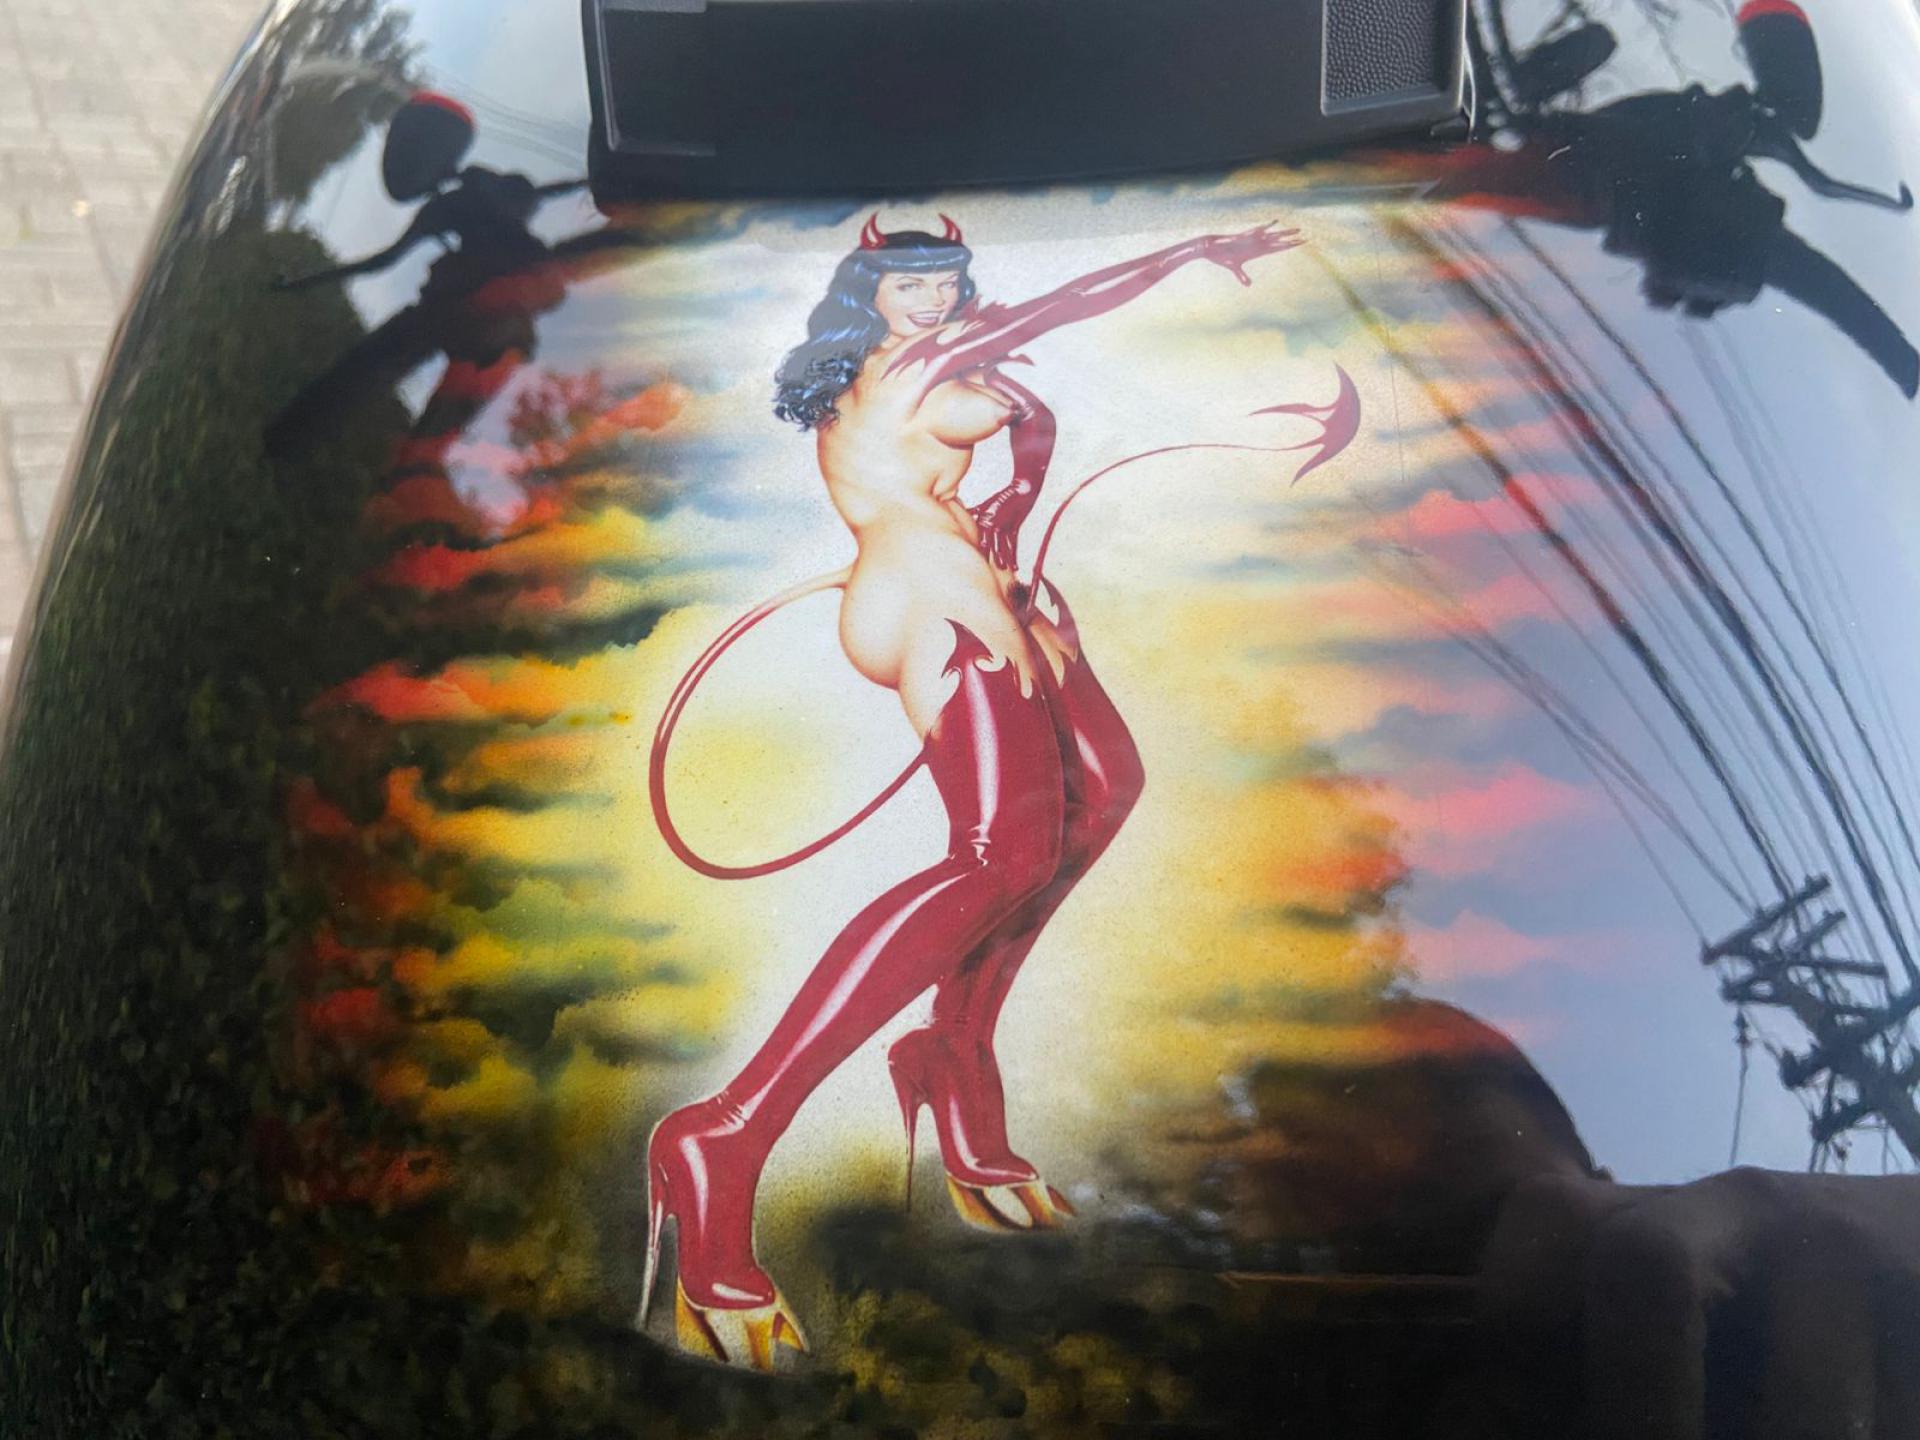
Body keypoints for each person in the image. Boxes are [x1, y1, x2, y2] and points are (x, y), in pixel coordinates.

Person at [640, 213, 1304, 1368]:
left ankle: (953, 1048)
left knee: (1104, 786)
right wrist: (1187, 255)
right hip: (927, 596)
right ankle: (727, 1131)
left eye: (945, 277)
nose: (933, 296)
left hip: (979, 577)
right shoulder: (908, 366)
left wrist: (1009, 506)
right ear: (868, 289)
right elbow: (1070, 304)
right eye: (908, 280)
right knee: (1002, 855)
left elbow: (1020, 413)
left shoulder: (945, 351)